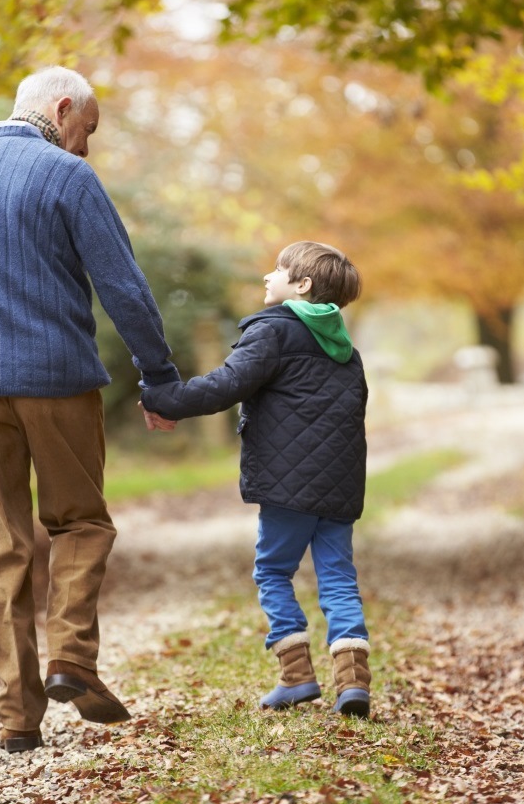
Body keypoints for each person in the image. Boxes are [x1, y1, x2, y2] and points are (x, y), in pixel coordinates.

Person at [0, 66, 180, 753]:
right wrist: (159, 375)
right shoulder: (69, 179)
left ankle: (16, 717)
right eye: (84, 130)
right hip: (57, 380)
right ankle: (71, 656)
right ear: (61, 109)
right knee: (81, 521)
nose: (83, 147)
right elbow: (124, 285)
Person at [140, 241, 372, 717]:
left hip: (289, 485)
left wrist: (163, 398)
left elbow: (226, 385)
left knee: (272, 571)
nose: (268, 276)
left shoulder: (273, 331)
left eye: (279, 270)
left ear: (302, 285)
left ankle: (297, 677)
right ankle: (353, 683)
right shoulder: (346, 349)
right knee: (338, 578)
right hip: (340, 485)